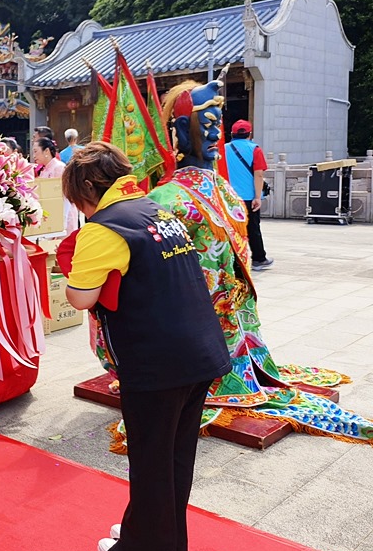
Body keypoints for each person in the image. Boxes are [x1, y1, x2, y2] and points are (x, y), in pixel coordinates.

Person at [147, 80, 373, 440]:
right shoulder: (199, 193)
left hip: (206, 310)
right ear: (181, 133)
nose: (212, 136)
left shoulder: (166, 196)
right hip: (218, 303)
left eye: (216, 127)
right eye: (205, 127)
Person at [59, 142, 231, 551]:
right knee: (175, 459)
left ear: (84, 192)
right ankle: (162, 546)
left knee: (153, 460)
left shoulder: (103, 228)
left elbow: (80, 297)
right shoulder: (155, 210)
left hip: (157, 361)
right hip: (198, 353)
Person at [225, 119, 273, 270]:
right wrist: (258, 197)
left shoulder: (222, 149)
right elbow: (258, 174)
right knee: (252, 228)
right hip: (248, 197)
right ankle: (259, 259)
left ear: (232, 134)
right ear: (249, 134)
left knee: (230, 229)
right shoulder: (255, 149)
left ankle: (231, 261)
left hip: (228, 196)